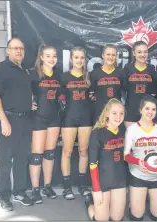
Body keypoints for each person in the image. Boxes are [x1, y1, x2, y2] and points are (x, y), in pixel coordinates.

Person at [0, 37, 34, 211]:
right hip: (8, 120)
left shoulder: (25, 71)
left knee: (22, 159)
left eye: (21, 48)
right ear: (7, 50)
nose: (19, 51)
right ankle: (4, 196)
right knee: (5, 160)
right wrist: (3, 120)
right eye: (15, 48)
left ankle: (20, 192)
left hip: (25, 120)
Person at [124, 95, 157, 221]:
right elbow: (126, 155)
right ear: (140, 110)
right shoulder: (132, 129)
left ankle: (155, 199)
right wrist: (139, 162)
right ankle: (134, 202)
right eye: (147, 108)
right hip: (138, 175)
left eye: (153, 109)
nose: (150, 112)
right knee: (136, 216)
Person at [29, 45, 62, 204]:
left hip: (54, 118)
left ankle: (47, 186)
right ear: (41, 57)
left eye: (54, 56)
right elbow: (22, 91)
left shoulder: (58, 75)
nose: (51, 59)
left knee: (50, 153)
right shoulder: (34, 74)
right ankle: (35, 189)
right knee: (37, 155)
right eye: (48, 56)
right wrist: (27, 103)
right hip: (39, 118)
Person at [86, 99, 127, 221]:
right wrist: (97, 189)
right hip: (103, 181)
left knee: (116, 218)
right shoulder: (97, 133)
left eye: (121, 113)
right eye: (114, 113)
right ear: (107, 113)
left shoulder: (124, 130)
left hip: (119, 181)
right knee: (102, 219)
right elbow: (93, 164)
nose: (118, 117)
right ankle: (89, 203)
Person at [60, 47, 93, 200]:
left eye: (82, 58)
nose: (79, 60)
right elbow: (58, 99)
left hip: (85, 118)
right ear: (71, 59)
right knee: (66, 152)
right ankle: (67, 187)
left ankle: (82, 184)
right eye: (77, 57)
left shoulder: (88, 77)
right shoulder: (64, 77)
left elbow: (94, 96)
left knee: (83, 151)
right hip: (69, 118)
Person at [123, 41, 156, 127]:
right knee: (131, 138)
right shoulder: (128, 68)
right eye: (139, 52)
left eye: (145, 52)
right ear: (134, 53)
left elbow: (153, 90)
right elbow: (123, 88)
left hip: (146, 110)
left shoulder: (151, 69)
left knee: (144, 139)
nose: (143, 54)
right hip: (131, 109)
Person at [90, 45, 124, 122]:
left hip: (116, 112)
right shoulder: (94, 73)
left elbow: (124, 89)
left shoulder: (121, 73)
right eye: (108, 54)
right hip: (99, 111)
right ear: (103, 55)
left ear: (116, 56)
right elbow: (91, 92)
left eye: (113, 55)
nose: (111, 57)